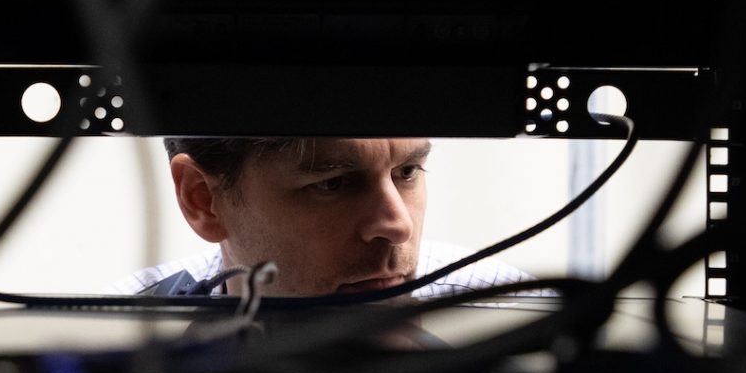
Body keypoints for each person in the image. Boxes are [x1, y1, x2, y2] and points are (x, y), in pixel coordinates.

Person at [115, 136, 534, 297]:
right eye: (332, 183)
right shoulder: (116, 336)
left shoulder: (513, 313)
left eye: (407, 172)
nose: (397, 225)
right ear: (202, 199)